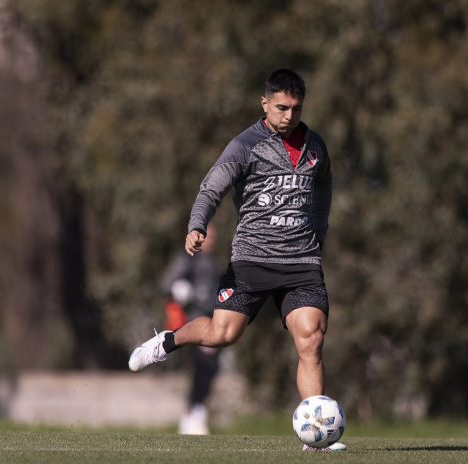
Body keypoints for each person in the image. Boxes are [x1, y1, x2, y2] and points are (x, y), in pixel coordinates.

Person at [129, 69, 343, 451]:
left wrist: (319, 231)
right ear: (265, 104)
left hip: (301, 262)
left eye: (295, 108)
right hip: (253, 260)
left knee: (310, 339)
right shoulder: (246, 145)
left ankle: (316, 439)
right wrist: (197, 225)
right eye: (281, 107)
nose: (288, 116)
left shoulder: (316, 146)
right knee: (223, 334)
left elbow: (324, 184)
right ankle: (168, 342)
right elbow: (212, 187)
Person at [159, 225, 221, 435]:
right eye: (206, 236)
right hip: (193, 322)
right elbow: (167, 283)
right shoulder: (187, 258)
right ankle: (193, 414)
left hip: (213, 321)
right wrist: (183, 291)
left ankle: (195, 412)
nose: (209, 240)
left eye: (212, 236)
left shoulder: (212, 261)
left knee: (209, 369)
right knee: (204, 366)